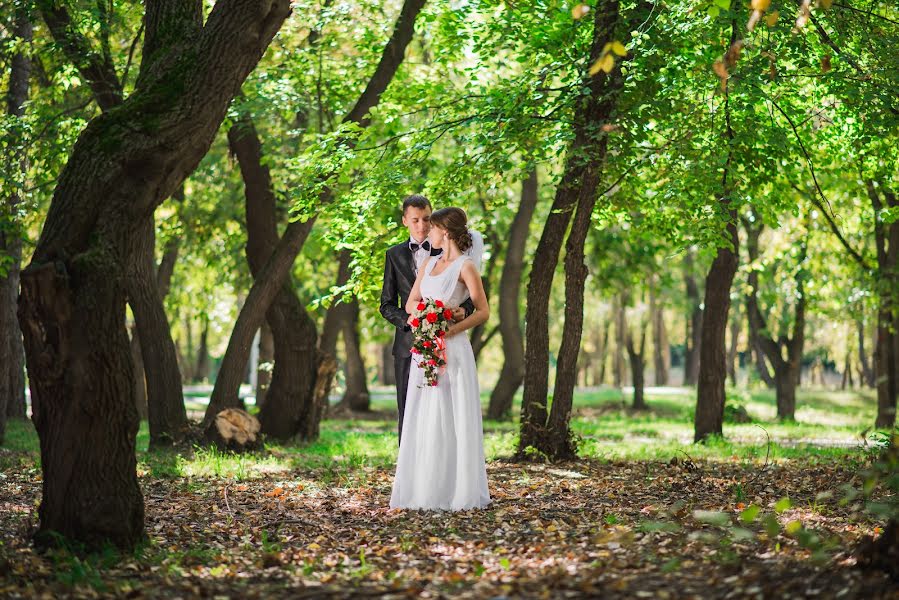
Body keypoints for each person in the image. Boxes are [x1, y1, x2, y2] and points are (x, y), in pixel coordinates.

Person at [389, 207, 491, 511]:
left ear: (443, 232)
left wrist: (451, 327)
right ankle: (424, 489)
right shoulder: (429, 264)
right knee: (425, 415)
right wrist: (430, 317)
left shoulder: (465, 266)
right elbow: (410, 304)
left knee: (452, 414)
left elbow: (483, 310)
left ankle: (457, 490)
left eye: (431, 229)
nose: (427, 233)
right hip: (425, 350)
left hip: (453, 350)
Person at [379, 195, 472, 445]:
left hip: (446, 344)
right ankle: (408, 471)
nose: (422, 226)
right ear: (405, 221)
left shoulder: (449, 251)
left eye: (427, 219)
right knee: (408, 412)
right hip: (408, 346)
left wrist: (463, 310)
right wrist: (414, 321)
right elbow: (386, 304)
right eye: (415, 220)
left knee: (442, 411)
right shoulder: (393, 255)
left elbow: (470, 296)